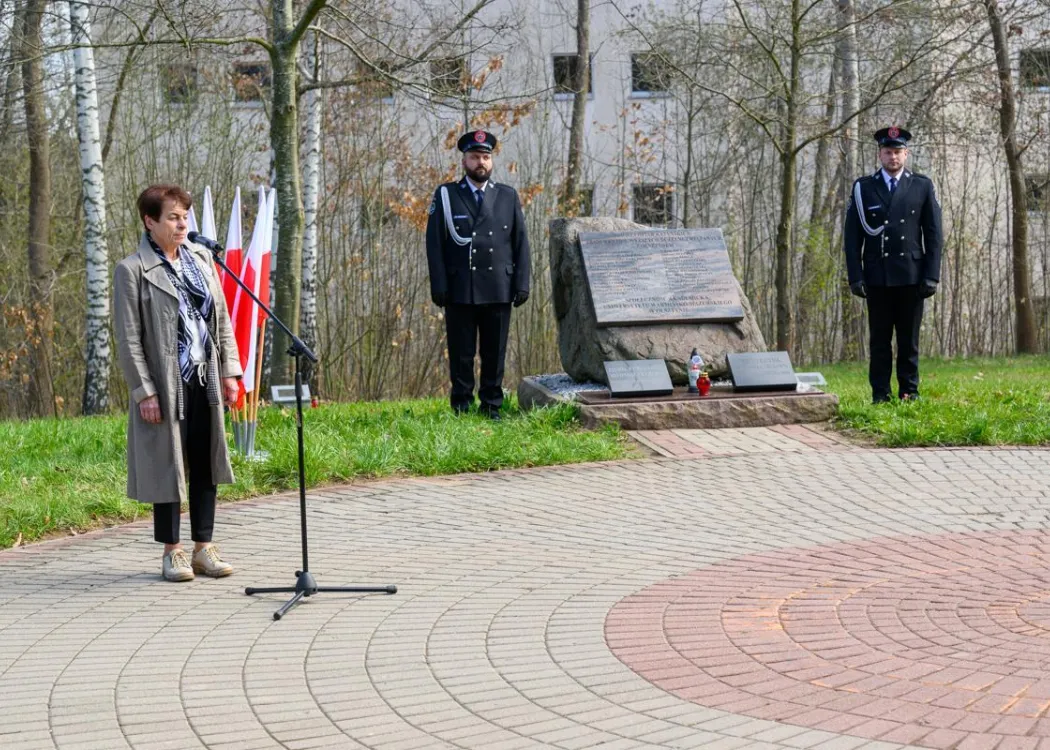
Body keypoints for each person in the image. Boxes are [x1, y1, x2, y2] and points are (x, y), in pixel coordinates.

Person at [114, 184, 243, 582]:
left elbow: (219, 317)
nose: (182, 223)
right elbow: (128, 337)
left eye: (185, 216)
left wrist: (231, 371)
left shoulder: (202, 259)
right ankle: (173, 551)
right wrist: (144, 391)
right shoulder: (132, 269)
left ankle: (204, 547)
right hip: (166, 383)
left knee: (206, 458)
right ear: (149, 221)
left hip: (205, 377)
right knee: (168, 464)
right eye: (172, 216)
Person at [426, 130, 531, 420]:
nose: (480, 162)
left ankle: (491, 405)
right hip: (460, 287)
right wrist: (439, 284)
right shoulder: (447, 195)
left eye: (485, 157)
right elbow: (434, 244)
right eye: (474, 157)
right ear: (464, 161)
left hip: (499, 286)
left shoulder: (507, 196)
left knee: (494, 352)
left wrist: (522, 283)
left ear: (491, 161)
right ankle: (461, 404)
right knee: (461, 352)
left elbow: (521, 242)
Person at [843, 126, 943, 404]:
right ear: (880, 154)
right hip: (878, 276)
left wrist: (931, 275)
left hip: (912, 275)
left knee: (909, 342)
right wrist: (856, 276)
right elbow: (852, 238)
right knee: (879, 341)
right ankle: (880, 394)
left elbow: (934, 235)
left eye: (898, 152)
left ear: (906, 154)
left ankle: (909, 392)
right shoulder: (864, 188)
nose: (893, 157)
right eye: (888, 152)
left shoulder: (922, 185)